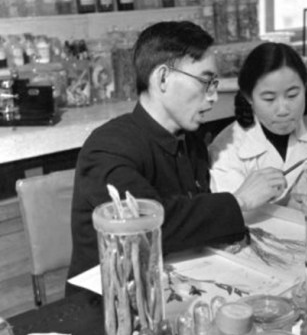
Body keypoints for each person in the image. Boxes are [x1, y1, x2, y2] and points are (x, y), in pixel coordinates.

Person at [67, 21, 285, 294]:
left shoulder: (190, 138)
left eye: (215, 83)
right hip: (112, 302)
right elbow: (150, 226)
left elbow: (193, 222)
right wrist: (240, 201)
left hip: (178, 282)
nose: (214, 96)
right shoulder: (107, 149)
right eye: (206, 81)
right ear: (162, 79)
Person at [209, 42, 307, 204]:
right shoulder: (227, 148)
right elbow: (234, 211)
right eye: (269, 99)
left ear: (305, 88)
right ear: (248, 97)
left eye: (292, 95)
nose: (283, 110)